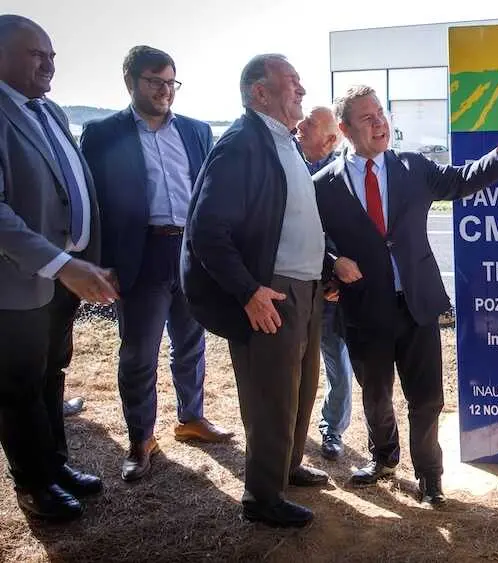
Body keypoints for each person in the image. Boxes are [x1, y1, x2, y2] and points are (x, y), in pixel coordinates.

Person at [313, 85, 498, 506]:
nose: (380, 122)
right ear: (344, 129)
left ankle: (430, 477)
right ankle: (383, 458)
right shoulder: (322, 185)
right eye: (367, 118)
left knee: (427, 399)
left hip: (416, 305)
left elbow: (459, 180)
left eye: (381, 113)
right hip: (364, 310)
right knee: (376, 395)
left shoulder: (412, 167)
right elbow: (307, 239)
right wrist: (333, 265)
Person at [181, 54, 333, 527]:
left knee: (302, 388)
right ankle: (262, 497)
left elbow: (288, 218)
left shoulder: (282, 140)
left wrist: (323, 270)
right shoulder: (242, 143)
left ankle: (286, 468)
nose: (302, 90)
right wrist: (248, 291)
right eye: (291, 82)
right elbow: (207, 229)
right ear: (259, 93)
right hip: (271, 292)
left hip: (304, 288)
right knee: (272, 396)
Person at [80, 45, 232, 483]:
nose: (165, 91)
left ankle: (191, 418)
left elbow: (209, 194)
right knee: (138, 353)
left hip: (190, 253)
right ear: (130, 82)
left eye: (171, 82)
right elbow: (95, 205)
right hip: (139, 256)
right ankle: (140, 439)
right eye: (154, 81)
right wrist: (100, 264)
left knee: (191, 342)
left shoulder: (197, 131)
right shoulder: (103, 133)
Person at [0, 14, 116, 521]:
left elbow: (72, 187)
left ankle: (56, 464)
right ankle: (33, 484)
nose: (49, 65)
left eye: (52, 56)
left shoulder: (47, 111)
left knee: (51, 373)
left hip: (62, 278)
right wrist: (60, 263)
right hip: (18, 283)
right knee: (19, 385)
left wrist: (86, 257)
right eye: (36, 55)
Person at [297, 105, 351, 460]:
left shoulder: (343, 176)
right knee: (296, 366)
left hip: (330, 289)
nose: (300, 125)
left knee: (337, 364)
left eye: (310, 123)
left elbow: (348, 235)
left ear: (331, 138)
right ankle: (294, 432)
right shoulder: (290, 163)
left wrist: (337, 281)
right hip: (296, 287)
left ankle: (332, 430)